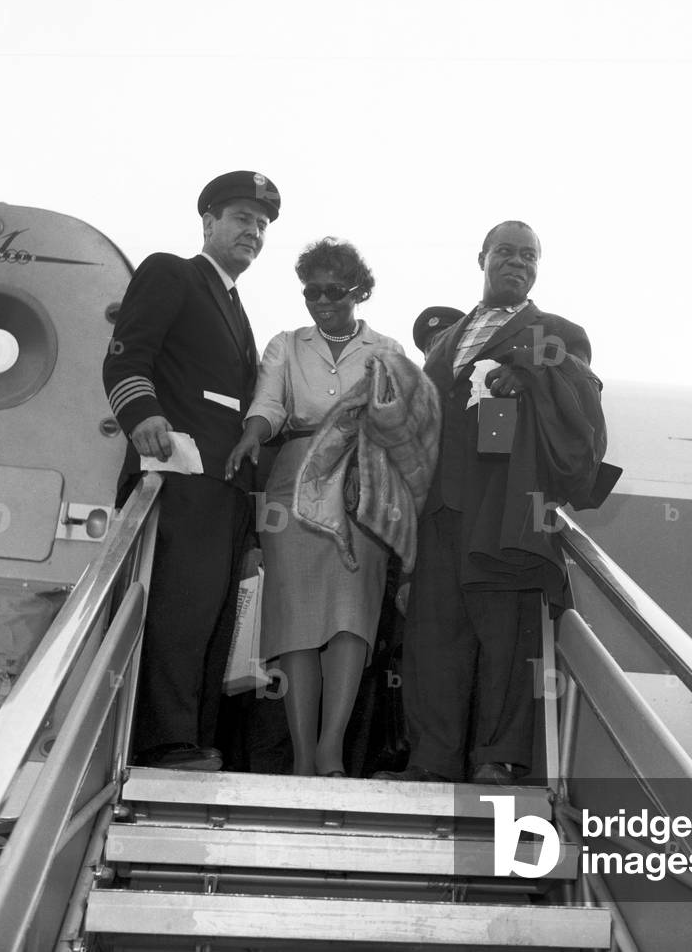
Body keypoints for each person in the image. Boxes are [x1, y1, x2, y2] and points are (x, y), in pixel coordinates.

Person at [378, 220, 608, 784]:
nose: (518, 263)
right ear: (481, 257)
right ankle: (431, 760)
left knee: (508, 638)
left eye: (529, 256)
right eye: (506, 252)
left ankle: (499, 759)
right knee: (433, 638)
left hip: (508, 507)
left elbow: (584, 390)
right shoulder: (446, 340)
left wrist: (525, 373)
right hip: (439, 509)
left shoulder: (556, 331)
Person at [225, 238, 436, 777]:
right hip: (293, 479)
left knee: (352, 621)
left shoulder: (388, 351)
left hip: (362, 489)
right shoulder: (285, 344)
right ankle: (300, 754)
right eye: (310, 291)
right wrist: (252, 435)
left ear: (358, 292)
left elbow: (410, 424)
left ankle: (332, 751)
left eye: (332, 291)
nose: (320, 301)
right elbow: (269, 404)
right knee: (295, 624)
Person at [102, 169, 281, 771]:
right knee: (177, 611)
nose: (252, 231)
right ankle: (160, 742)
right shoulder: (172, 272)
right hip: (176, 475)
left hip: (223, 490)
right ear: (208, 223)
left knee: (209, 618)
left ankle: (194, 739)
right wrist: (142, 415)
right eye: (241, 219)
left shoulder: (238, 308)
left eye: (260, 225)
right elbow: (127, 353)